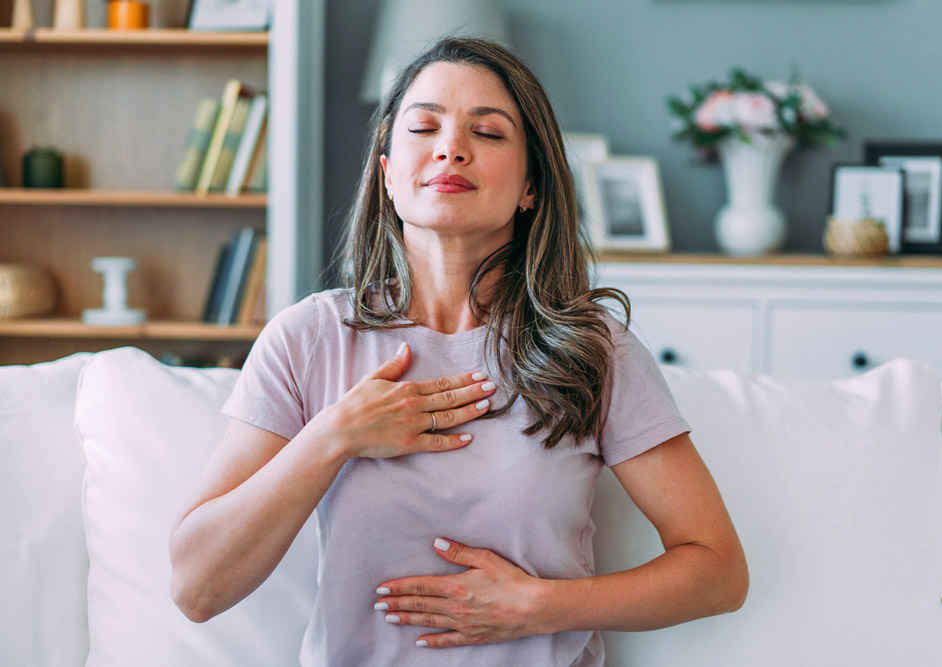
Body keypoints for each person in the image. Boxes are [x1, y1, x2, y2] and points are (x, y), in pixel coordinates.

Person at [168, 37, 747, 666]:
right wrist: (335, 435)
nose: (451, 147)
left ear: (531, 186)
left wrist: (539, 606)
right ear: (387, 175)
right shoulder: (308, 339)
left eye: (489, 133)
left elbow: (717, 570)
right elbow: (197, 587)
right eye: (424, 126)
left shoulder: (594, 349)